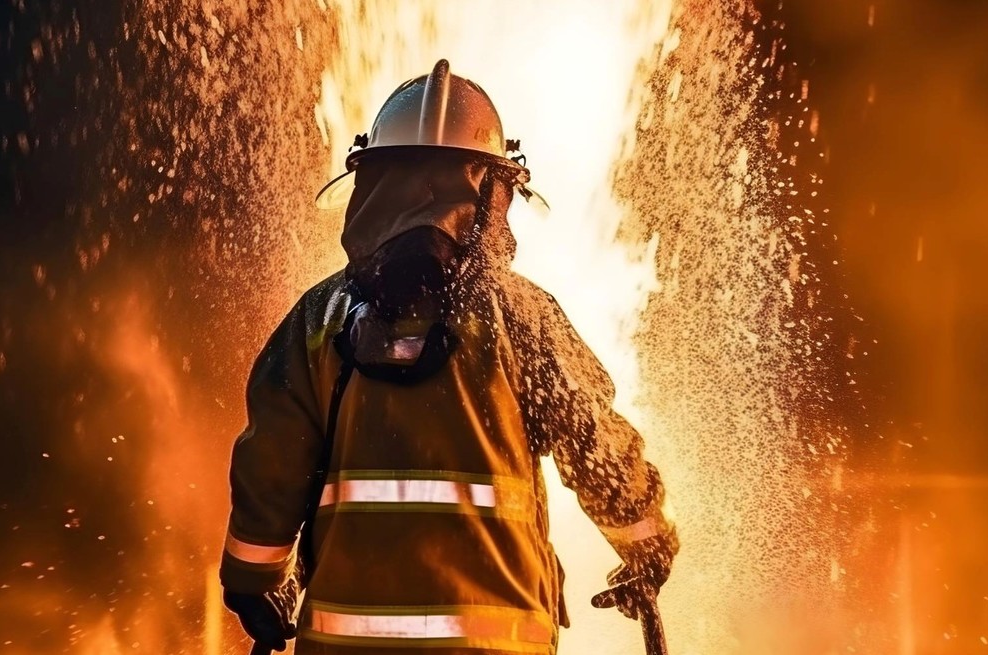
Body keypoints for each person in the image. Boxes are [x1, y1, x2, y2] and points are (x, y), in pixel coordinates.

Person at [219, 59, 678, 655]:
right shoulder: (524, 318)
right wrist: (646, 542)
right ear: (494, 188)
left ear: (370, 183)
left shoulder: (319, 319)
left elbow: (270, 466)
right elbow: (595, 443)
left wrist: (255, 582)